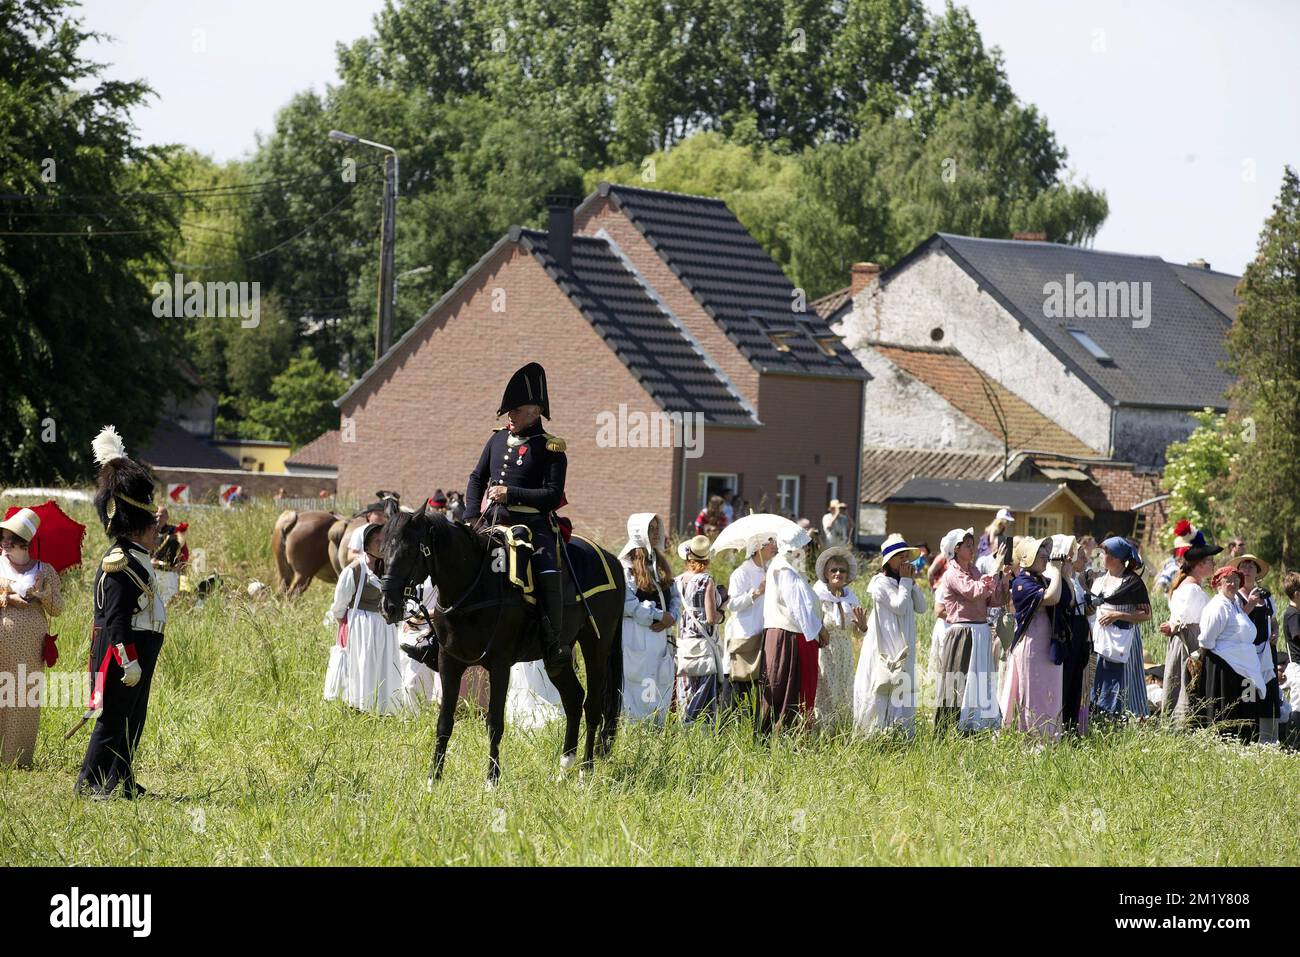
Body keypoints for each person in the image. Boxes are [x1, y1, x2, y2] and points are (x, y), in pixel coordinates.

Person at [462, 362, 571, 675]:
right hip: (491, 521)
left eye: (516, 411)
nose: (509, 417)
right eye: (508, 411)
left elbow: (551, 495)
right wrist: (471, 516)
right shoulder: (496, 440)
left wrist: (511, 493)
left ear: (535, 412)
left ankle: (553, 641)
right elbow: (476, 477)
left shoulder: (551, 448)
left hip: (534, 526)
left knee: (547, 569)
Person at [77, 427, 168, 799]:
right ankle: (89, 784)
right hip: (123, 651)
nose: (157, 533)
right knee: (112, 720)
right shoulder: (119, 562)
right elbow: (115, 620)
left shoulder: (138, 557)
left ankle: (121, 781)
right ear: (139, 527)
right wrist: (127, 660)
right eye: (153, 528)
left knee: (133, 720)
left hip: (141, 647)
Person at [0, 508, 64, 768]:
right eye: (1, 539)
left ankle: (15, 759)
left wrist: (43, 595)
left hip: (30, 646)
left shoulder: (44, 571)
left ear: (21, 543)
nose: (2, 544)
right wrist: (9, 598)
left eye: (7, 540)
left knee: (22, 698)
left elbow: (57, 609)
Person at [323, 523, 408, 715]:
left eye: (384, 540)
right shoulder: (354, 570)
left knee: (383, 665)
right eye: (377, 541)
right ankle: (357, 706)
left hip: (384, 626)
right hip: (360, 625)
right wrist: (347, 632)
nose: (382, 544)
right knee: (361, 665)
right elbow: (339, 607)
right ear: (366, 546)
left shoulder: (390, 571)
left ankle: (383, 708)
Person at [934, 527, 1009, 733]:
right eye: (967, 545)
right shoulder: (952, 574)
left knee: (981, 680)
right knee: (960, 681)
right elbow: (974, 592)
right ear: (956, 549)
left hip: (981, 631)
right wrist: (994, 569)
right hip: (963, 633)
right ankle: (952, 726)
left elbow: (994, 600)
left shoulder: (975, 571)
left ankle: (978, 725)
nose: (972, 548)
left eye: (972, 544)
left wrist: (1003, 579)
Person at [852, 535, 925, 735]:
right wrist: (907, 583)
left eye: (905, 555)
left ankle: (900, 733)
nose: (904, 559)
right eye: (899, 556)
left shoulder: (905, 582)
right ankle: (875, 733)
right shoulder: (879, 583)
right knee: (883, 682)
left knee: (902, 684)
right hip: (885, 643)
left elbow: (922, 607)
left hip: (903, 642)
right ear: (888, 561)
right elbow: (899, 607)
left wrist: (913, 583)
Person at [760, 526, 828, 733]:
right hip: (789, 636)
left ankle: (786, 736)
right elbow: (798, 607)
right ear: (794, 549)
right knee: (788, 687)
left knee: (787, 687)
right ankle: (782, 737)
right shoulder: (785, 570)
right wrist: (819, 630)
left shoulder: (787, 568)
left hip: (791, 633)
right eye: (804, 547)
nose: (806, 552)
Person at [1001, 536, 1067, 741]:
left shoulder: (1042, 580)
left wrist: (1063, 572)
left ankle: (1050, 737)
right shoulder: (1022, 583)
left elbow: (1067, 599)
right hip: (1032, 646)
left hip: (1047, 645)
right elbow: (1052, 598)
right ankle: (1033, 738)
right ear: (1028, 557)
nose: (1046, 557)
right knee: (1034, 695)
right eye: (1040, 553)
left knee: (1050, 692)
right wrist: (1056, 571)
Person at [1196, 565, 1272, 741]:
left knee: (1245, 707)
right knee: (1228, 708)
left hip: (1244, 666)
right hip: (1225, 666)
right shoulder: (1216, 606)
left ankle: (1247, 742)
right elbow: (1207, 639)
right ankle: (1227, 742)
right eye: (1228, 580)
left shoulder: (1235, 604)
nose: (1233, 583)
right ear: (1217, 583)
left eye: (1236, 580)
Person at [618, 513, 679, 724]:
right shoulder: (626, 566)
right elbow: (627, 604)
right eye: (650, 529)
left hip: (660, 637)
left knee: (657, 682)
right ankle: (635, 731)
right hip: (636, 635)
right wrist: (658, 615)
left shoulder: (659, 563)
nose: (655, 533)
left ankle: (655, 729)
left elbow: (675, 595)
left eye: (656, 528)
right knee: (637, 684)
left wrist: (672, 616)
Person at [1088, 537, 1152, 722]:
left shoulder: (1132, 583)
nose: (1101, 556)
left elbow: (1146, 614)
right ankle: (1100, 717)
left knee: (1123, 682)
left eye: (1105, 553)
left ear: (1116, 557)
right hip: (1101, 641)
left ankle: (1123, 720)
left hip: (1124, 640)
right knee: (1100, 680)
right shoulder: (1100, 580)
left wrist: (1118, 615)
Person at [1158, 532, 1219, 725]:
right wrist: (1174, 625)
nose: (1213, 564)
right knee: (1185, 681)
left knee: (1186, 681)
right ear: (1200, 564)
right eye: (1210, 561)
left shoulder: (1192, 585)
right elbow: (1183, 618)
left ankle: (1184, 722)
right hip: (1188, 640)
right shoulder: (1191, 588)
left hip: (1189, 636)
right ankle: (1182, 723)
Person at [1226, 552, 1281, 743]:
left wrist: (1275, 632)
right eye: (1243, 566)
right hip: (1245, 655)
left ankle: (1268, 740)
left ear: (1257, 572)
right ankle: (1245, 738)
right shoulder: (1235, 598)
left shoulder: (1266, 596)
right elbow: (1234, 622)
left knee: (1268, 694)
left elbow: (1273, 621)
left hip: (1266, 653)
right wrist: (1250, 604)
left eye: (1251, 566)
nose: (1247, 570)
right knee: (1247, 695)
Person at [812, 545, 865, 731]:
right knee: (826, 689)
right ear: (826, 573)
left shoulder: (850, 598)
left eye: (842, 570)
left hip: (845, 650)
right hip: (825, 648)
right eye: (833, 570)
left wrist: (862, 626)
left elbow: (857, 633)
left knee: (844, 689)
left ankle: (842, 730)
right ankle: (824, 732)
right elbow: (812, 623)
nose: (838, 573)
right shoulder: (818, 596)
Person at [723, 533, 776, 718]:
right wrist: (756, 593)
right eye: (770, 543)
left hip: (762, 632)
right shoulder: (742, 572)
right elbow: (732, 604)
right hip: (744, 634)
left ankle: (752, 728)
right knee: (739, 684)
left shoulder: (769, 570)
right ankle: (727, 729)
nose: (773, 546)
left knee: (757, 685)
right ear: (758, 548)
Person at [674, 535, 726, 724]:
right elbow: (711, 618)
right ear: (706, 559)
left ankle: (684, 727)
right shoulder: (706, 581)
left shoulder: (677, 581)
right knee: (704, 693)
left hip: (683, 644)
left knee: (685, 691)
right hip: (702, 644)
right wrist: (722, 612)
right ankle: (703, 732)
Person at [1059, 536, 1093, 734]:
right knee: (1067, 679)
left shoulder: (1078, 581)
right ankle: (1064, 724)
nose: (1086, 561)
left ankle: (1072, 726)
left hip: (1080, 633)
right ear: (1070, 558)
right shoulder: (1066, 581)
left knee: (1076, 681)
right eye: (1082, 556)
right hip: (1071, 633)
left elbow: (1085, 610)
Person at [346, 500, 391, 564]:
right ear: (369, 516)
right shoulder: (359, 531)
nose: (382, 517)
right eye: (378, 514)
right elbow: (350, 555)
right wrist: (367, 558)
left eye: (383, 514)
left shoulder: (388, 532)